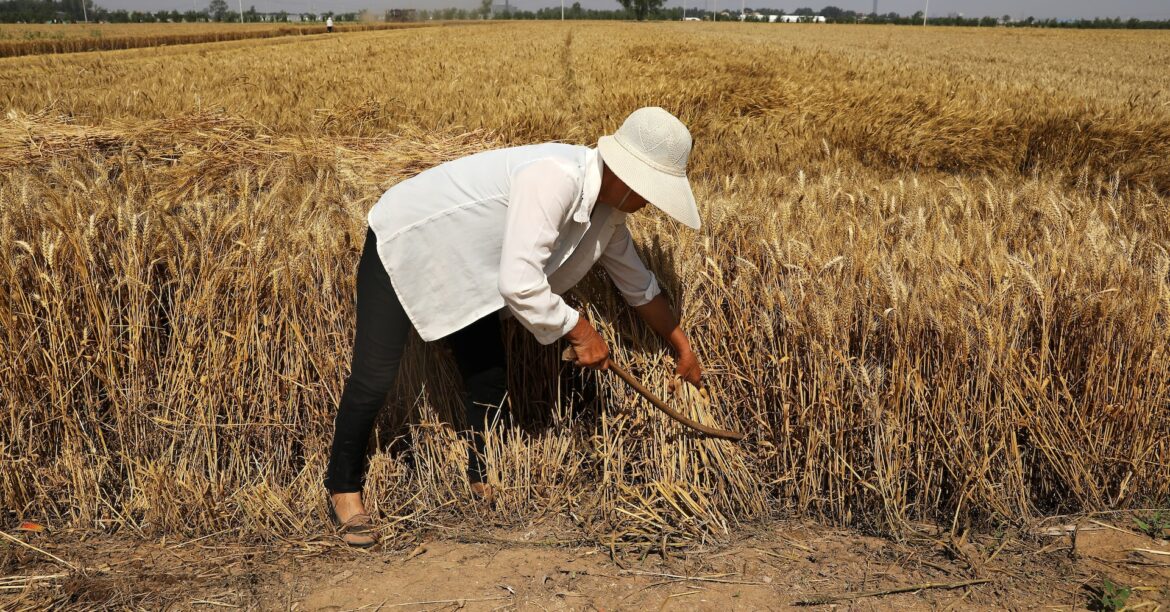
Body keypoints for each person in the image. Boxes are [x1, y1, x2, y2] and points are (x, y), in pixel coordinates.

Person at [325, 107, 705, 547]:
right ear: (629, 177)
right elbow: (520, 282)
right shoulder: (555, 177)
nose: (652, 203)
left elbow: (637, 286)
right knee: (375, 374)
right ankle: (343, 488)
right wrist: (580, 330)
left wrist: (681, 346)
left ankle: (481, 477)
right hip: (409, 238)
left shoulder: (608, 214)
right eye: (653, 190)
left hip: (470, 263)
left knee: (488, 373)